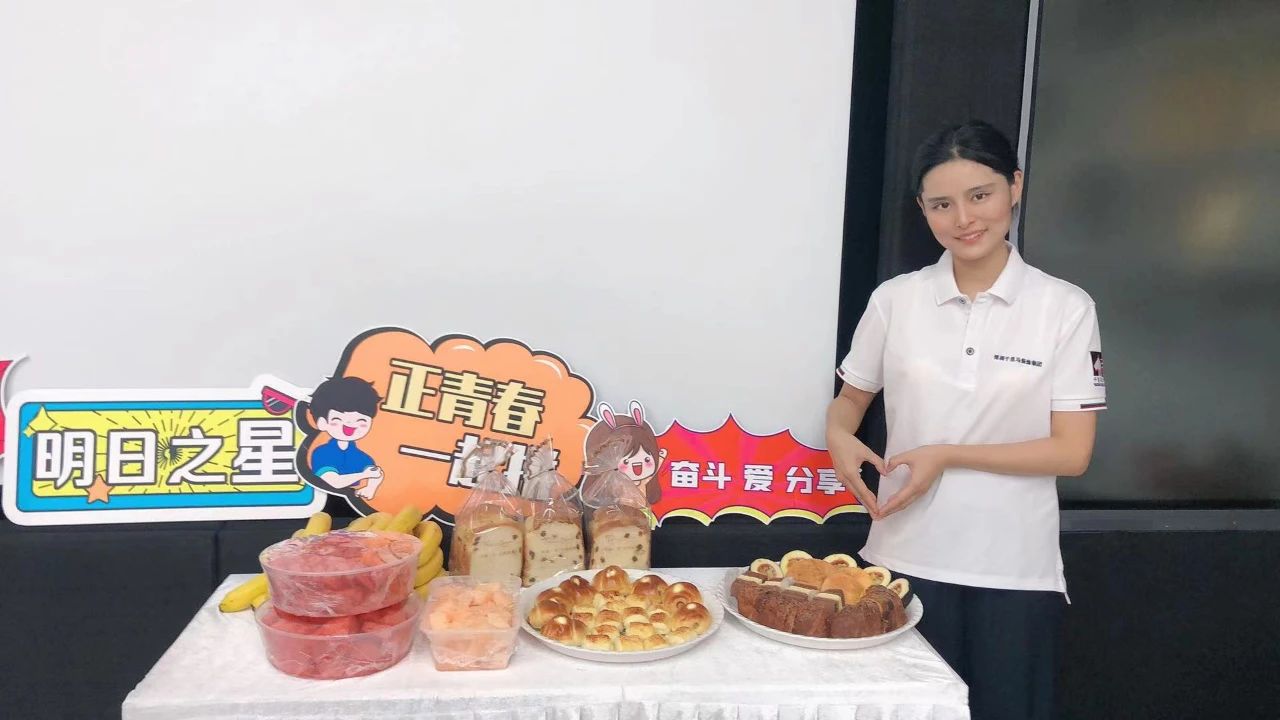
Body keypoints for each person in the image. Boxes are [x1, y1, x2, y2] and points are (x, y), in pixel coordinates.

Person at [825, 120, 1106, 720]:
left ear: (1015, 187)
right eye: (942, 205)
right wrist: (838, 436)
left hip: (1014, 570)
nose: (964, 219)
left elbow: (1072, 452)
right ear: (922, 210)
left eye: (980, 195)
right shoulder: (895, 300)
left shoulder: (1065, 307)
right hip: (902, 556)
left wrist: (948, 453)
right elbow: (850, 400)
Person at [306, 376, 385, 500]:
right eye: (338, 419)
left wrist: (370, 488)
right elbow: (334, 481)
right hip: (326, 500)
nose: (351, 424)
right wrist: (363, 475)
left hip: (352, 505)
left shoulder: (361, 456)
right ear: (322, 422)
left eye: (361, 420)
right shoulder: (322, 453)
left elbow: (377, 474)